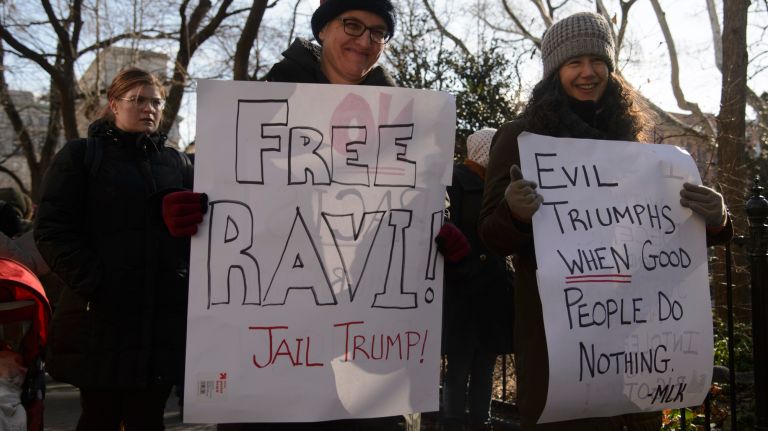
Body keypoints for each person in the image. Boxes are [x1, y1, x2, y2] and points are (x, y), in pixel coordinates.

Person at [478, 12, 732, 431]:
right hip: (560, 343)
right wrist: (515, 215)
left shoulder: (636, 145)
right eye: (574, 62)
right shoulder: (521, 139)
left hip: (639, 343)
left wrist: (717, 220)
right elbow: (490, 237)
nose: (587, 72)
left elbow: (664, 239)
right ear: (554, 70)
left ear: (611, 71)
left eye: (597, 61)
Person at [34, 67, 205, 431]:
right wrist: (98, 282)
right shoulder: (81, 157)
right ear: (114, 105)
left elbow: (200, 233)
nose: (149, 109)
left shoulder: (177, 163)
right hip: (101, 321)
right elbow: (51, 230)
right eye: (137, 100)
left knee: (148, 420)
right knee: (100, 417)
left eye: (155, 101)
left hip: (160, 322)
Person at [441, 128, 514, 431]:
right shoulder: (456, 181)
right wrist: (464, 268)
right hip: (464, 291)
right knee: (458, 367)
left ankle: (481, 421)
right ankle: (453, 422)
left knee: (485, 364)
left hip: (493, 292)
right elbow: (445, 230)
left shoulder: (502, 186)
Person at [264, 0, 397, 86]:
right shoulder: (267, 93)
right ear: (323, 30)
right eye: (352, 25)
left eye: (378, 32)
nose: (364, 43)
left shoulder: (405, 115)